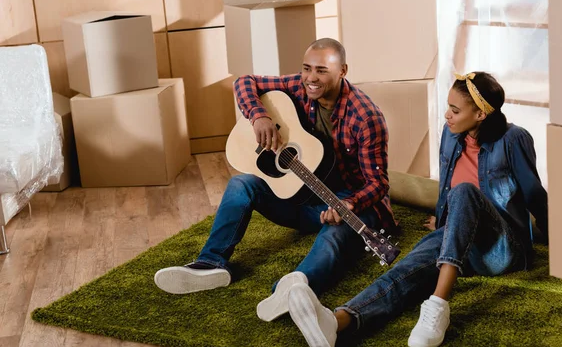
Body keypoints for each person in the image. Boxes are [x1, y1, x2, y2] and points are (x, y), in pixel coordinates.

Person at [286, 71, 549, 347]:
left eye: (455, 110)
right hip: (462, 242)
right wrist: (447, 217)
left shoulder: (514, 138)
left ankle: (438, 305)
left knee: (463, 192)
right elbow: (446, 185)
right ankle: (339, 322)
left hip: (503, 249)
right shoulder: (451, 134)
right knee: (408, 268)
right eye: (448, 106)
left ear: (481, 115)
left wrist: (555, 237)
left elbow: (533, 193)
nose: (447, 115)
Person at [154, 38, 395, 324]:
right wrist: (259, 116)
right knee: (241, 184)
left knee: (335, 232)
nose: (311, 78)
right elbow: (245, 82)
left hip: (346, 202)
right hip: (300, 198)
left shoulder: (365, 116)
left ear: (343, 71)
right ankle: (211, 264)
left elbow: (378, 183)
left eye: (321, 71)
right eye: (306, 69)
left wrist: (350, 202)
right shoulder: (301, 85)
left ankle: (295, 287)